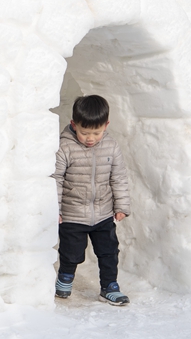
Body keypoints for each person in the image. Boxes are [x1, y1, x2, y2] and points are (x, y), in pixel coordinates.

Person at [52, 95, 131, 305]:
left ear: (106, 125)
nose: (90, 138)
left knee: (109, 252)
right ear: (73, 124)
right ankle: (65, 278)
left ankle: (110, 286)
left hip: (103, 213)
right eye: (84, 132)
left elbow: (119, 177)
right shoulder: (65, 148)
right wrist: (56, 209)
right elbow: (56, 179)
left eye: (96, 132)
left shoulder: (111, 147)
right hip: (73, 213)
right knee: (71, 252)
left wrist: (121, 205)